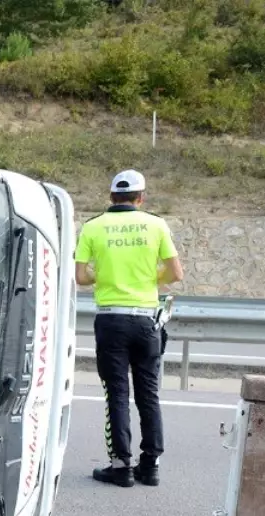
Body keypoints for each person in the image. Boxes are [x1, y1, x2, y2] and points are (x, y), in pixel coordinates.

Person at [73, 170, 184, 488]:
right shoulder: (156, 224)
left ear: (111, 198)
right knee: (149, 394)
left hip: (111, 320)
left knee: (117, 394)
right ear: (141, 198)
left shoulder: (93, 227)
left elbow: (81, 277)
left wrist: (106, 276)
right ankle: (150, 466)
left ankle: (121, 467)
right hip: (147, 320)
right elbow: (175, 273)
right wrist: (148, 278)